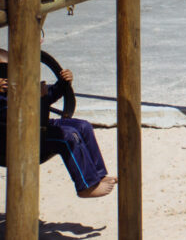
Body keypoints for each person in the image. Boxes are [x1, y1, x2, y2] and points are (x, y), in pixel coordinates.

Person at [0, 49, 117, 198]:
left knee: (83, 126)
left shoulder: (19, 86)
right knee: (68, 136)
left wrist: (62, 83)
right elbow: (16, 115)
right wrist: (38, 98)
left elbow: (49, 94)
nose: (6, 78)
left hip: (38, 127)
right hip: (16, 140)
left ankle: (98, 175)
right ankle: (85, 186)